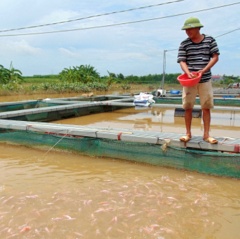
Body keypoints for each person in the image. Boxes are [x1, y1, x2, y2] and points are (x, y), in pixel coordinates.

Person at [177, 17, 220, 144]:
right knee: (188, 107)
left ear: (198, 28)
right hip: (189, 80)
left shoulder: (210, 40)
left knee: (206, 107)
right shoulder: (184, 44)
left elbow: (215, 57)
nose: (187, 32)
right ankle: (188, 133)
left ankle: (206, 135)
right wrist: (188, 72)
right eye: (186, 30)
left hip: (205, 79)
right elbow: (182, 60)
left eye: (190, 29)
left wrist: (203, 71)